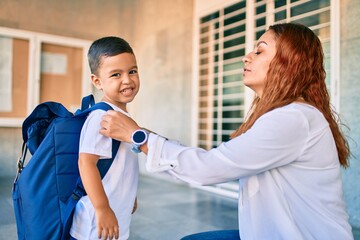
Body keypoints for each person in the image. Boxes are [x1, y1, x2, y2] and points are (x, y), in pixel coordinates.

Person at [99, 23, 354, 239]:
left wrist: (138, 137)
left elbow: (207, 168)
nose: (247, 56)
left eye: (260, 51)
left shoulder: (293, 119)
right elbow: (209, 163)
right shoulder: (286, 115)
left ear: (288, 63)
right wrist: (142, 134)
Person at [70, 36, 139, 240]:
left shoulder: (122, 116)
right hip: (94, 223)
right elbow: (86, 163)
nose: (127, 80)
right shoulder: (101, 117)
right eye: (116, 74)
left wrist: (130, 195)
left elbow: (123, 163)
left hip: (115, 213)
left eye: (132, 71)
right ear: (97, 81)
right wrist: (102, 208)